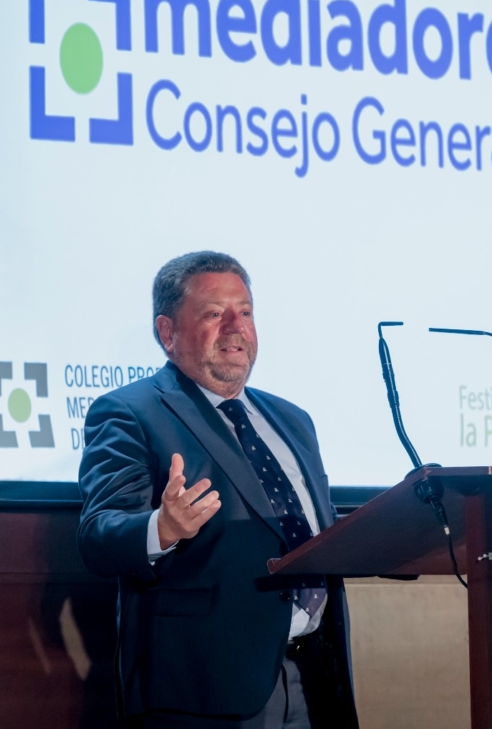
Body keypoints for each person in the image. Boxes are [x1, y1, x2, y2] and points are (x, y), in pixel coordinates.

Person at [78, 252, 359, 728]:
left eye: (245, 312)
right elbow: (98, 536)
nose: (236, 327)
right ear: (167, 333)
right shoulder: (130, 412)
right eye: (214, 313)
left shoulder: (293, 420)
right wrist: (160, 528)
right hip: (205, 689)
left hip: (312, 675)